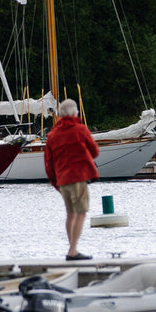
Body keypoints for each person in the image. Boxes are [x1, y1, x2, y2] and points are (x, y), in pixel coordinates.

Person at [43, 98, 100, 260]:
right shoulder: (80, 130)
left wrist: (55, 182)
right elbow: (94, 151)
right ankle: (73, 250)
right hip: (78, 177)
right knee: (80, 212)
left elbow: (48, 162)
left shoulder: (52, 135)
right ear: (75, 113)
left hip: (62, 180)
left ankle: (72, 249)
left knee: (70, 214)